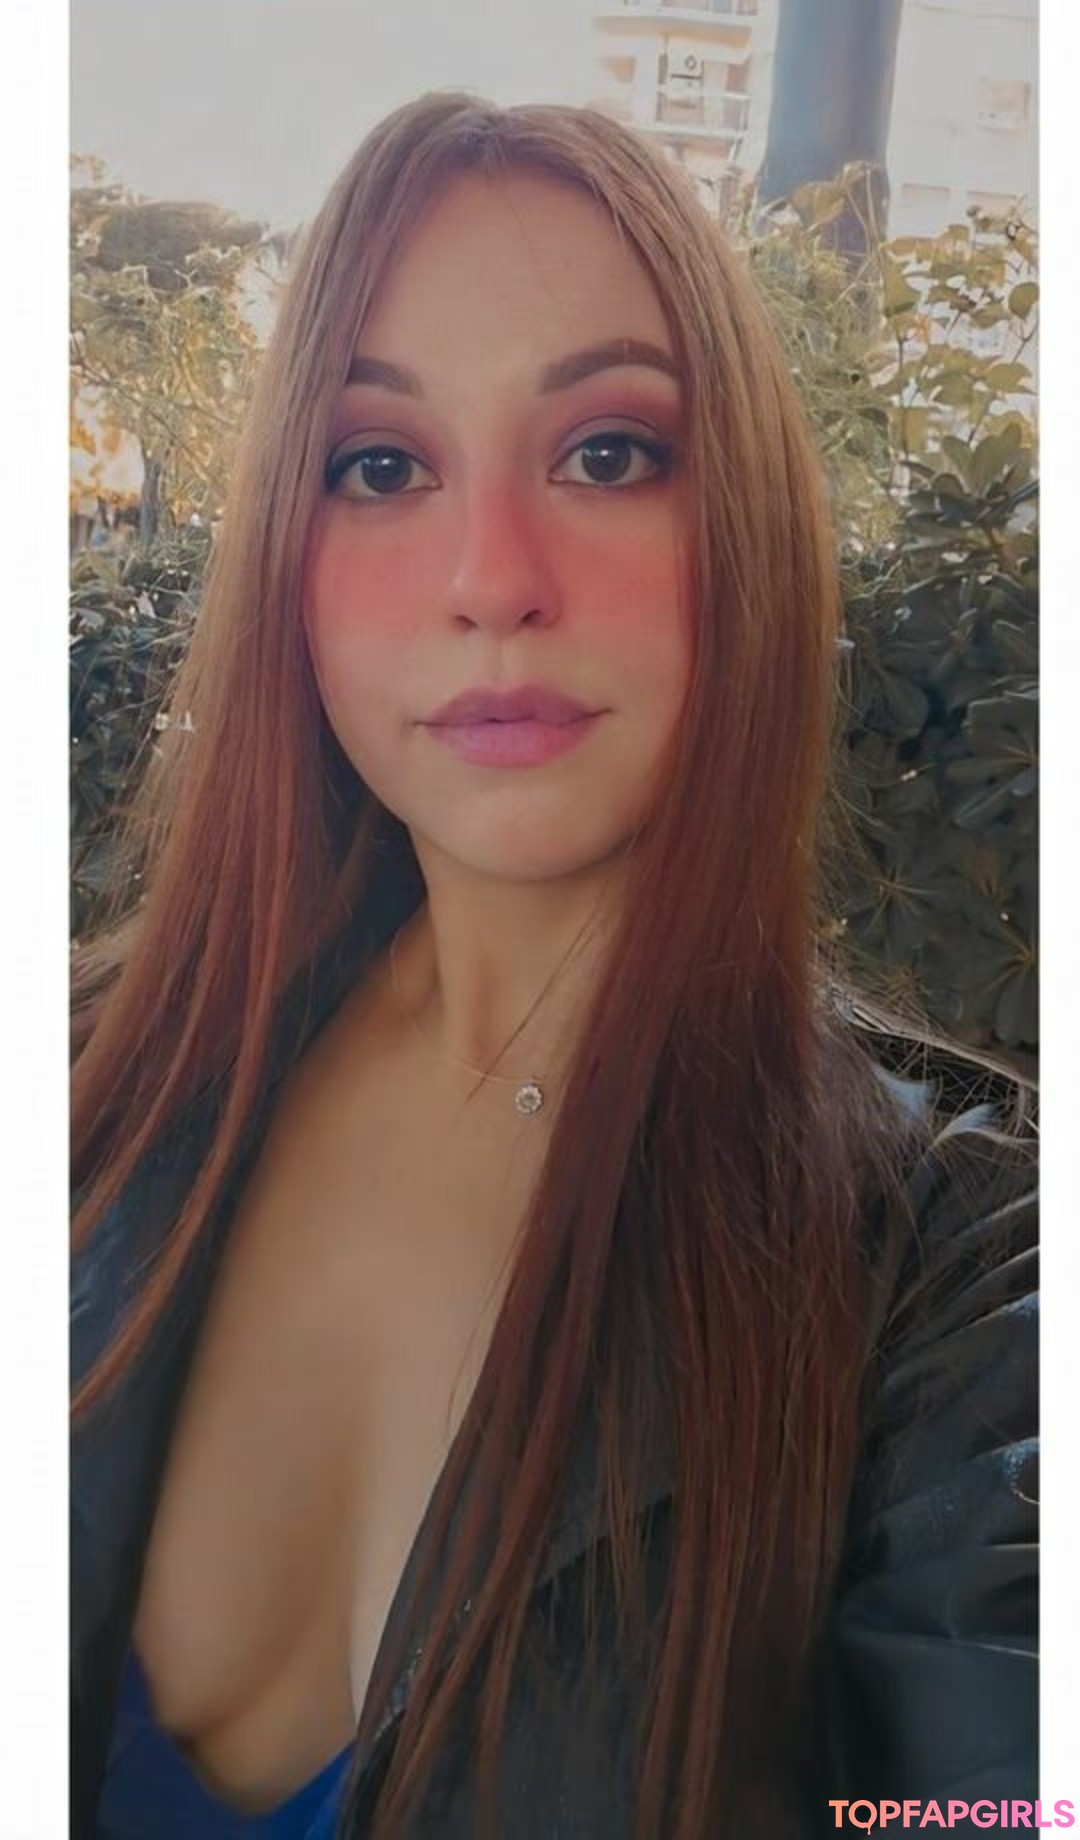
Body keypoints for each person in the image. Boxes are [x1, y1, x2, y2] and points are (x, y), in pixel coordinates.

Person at [71, 93, 1037, 1840]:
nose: (490, 580)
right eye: (381, 466)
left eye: (607, 453)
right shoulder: (86, 1076)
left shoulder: (961, 1281)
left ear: (747, 521)